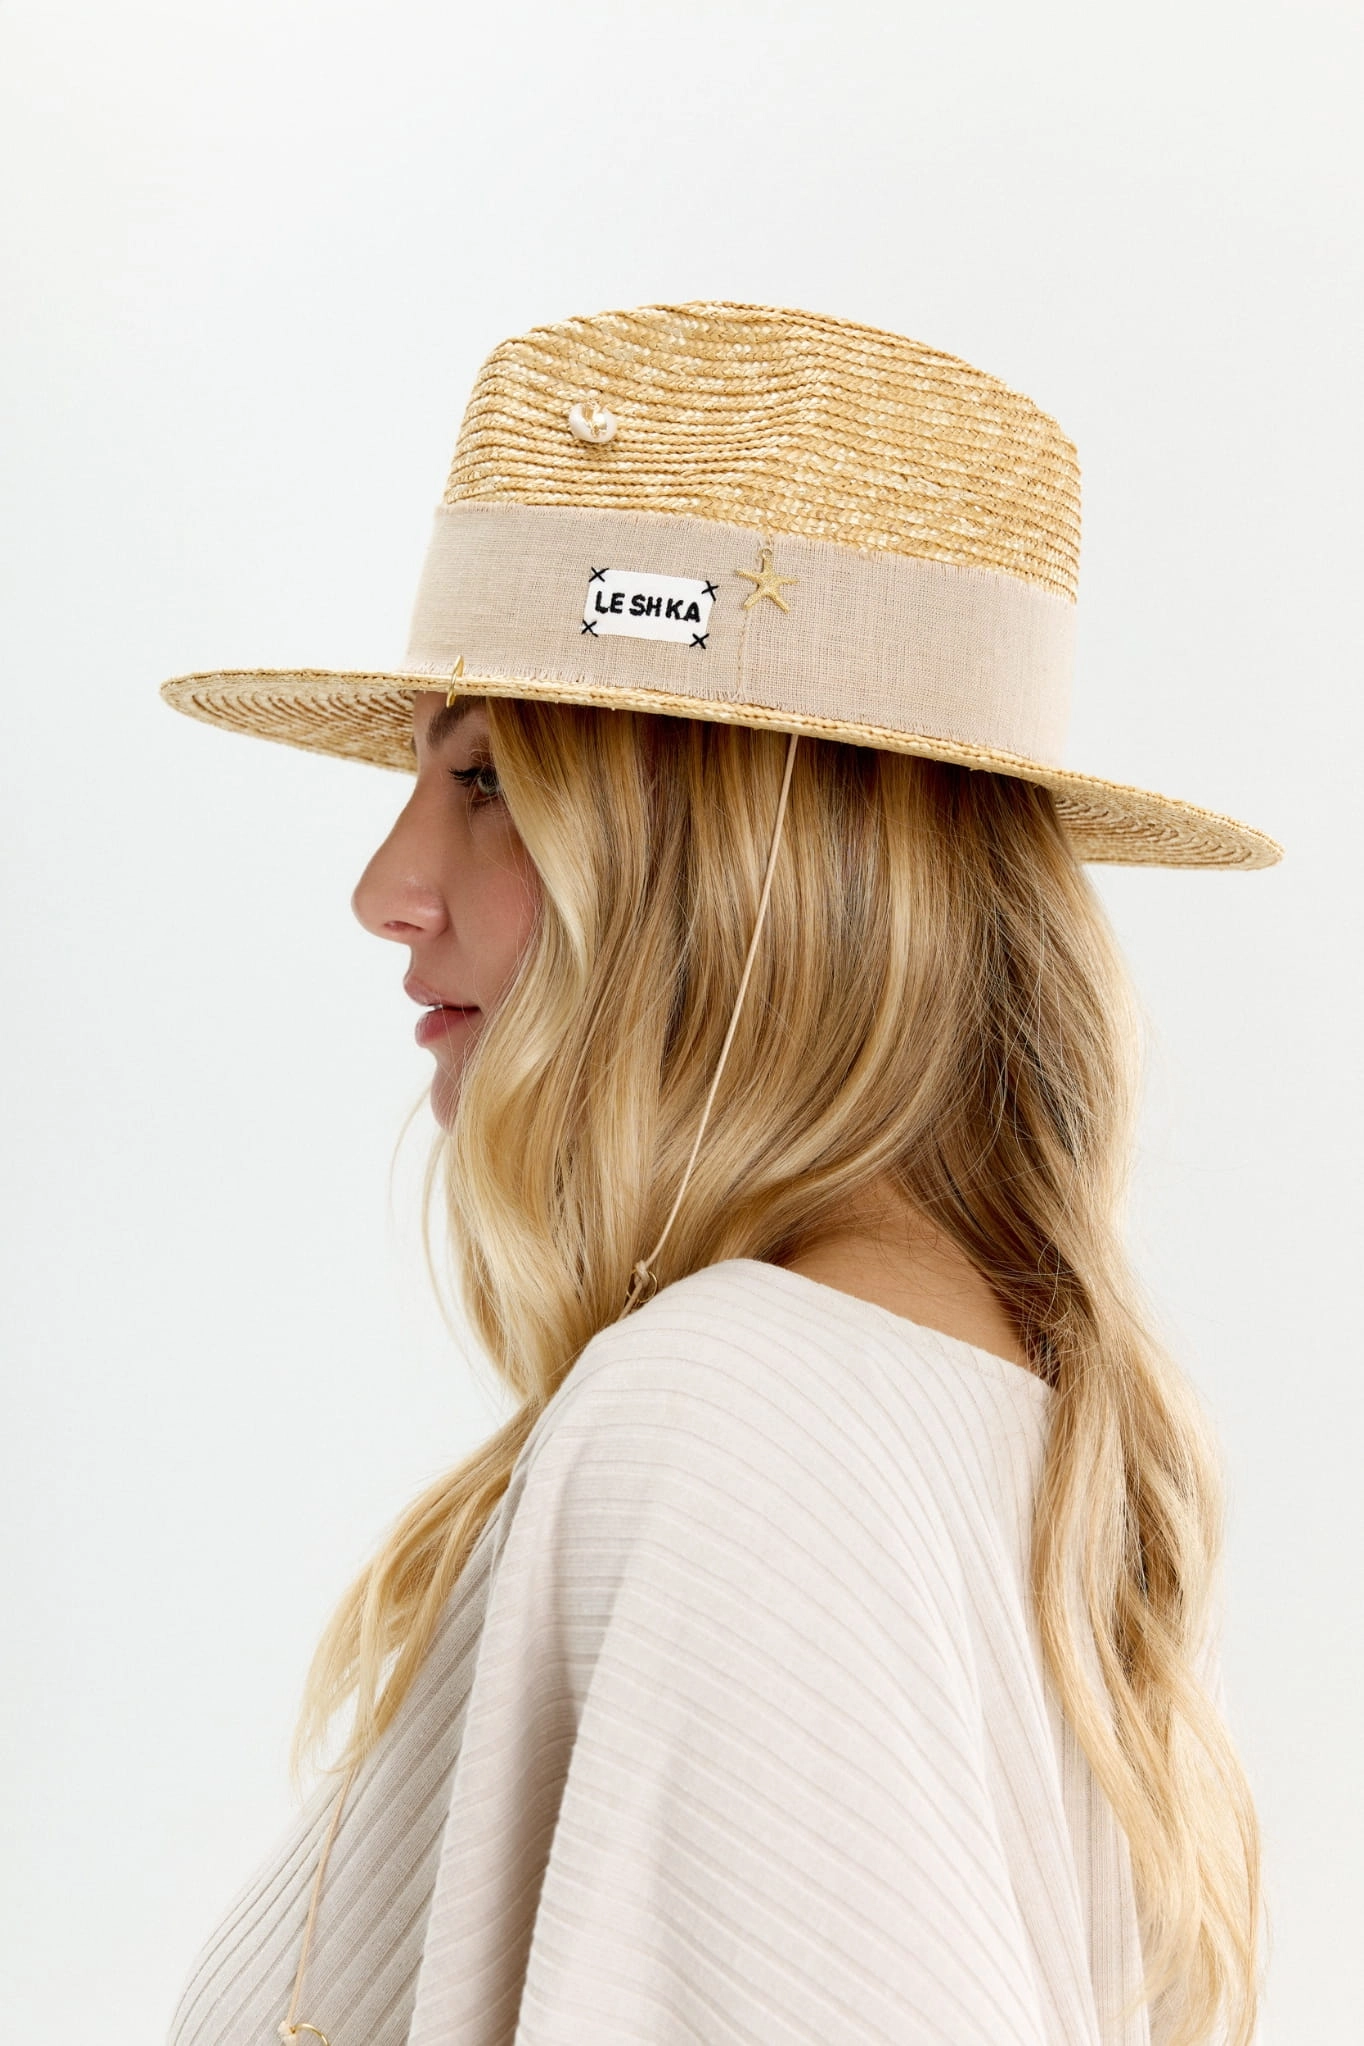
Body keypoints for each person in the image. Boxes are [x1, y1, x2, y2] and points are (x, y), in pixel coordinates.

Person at [159, 301, 1278, 2046]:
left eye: (492, 777)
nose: (387, 885)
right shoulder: (985, 1434)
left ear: (744, 861)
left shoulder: (739, 1414)